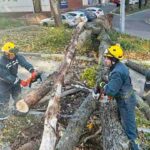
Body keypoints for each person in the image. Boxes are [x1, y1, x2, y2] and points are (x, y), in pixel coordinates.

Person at [92, 44, 139, 150]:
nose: (104, 60)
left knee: (130, 130)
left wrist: (102, 85)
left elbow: (111, 91)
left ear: (113, 59)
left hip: (125, 102)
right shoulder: (118, 66)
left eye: (106, 58)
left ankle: (136, 147)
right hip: (126, 98)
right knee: (129, 123)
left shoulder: (117, 72)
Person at [0, 42, 38, 119]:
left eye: (14, 53)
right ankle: (3, 115)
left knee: (17, 95)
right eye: (11, 54)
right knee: (4, 99)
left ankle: (18, 109)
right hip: (3, 82)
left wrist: (32, 70)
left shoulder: (17, 57)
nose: (13, 55)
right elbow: (6, 76)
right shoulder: (1, 62)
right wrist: (20, 82)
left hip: (14, 78)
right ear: (6, 53)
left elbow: (24, 63)